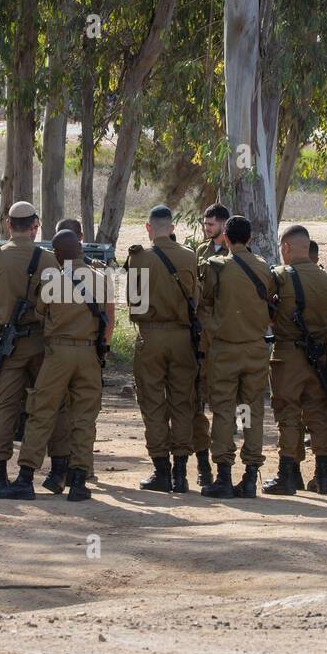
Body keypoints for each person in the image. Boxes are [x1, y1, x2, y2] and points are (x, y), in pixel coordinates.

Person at [0, 230, 112, 501]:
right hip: (89, 354)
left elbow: (41, 313)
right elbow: (108, 318)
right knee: (84, 418)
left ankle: (26, 478)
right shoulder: (101, 279)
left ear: (58, 255)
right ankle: (79, 481)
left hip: (58, 353)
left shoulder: (52, 281)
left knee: (41, 411)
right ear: (81, 249)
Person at [0, 202, 71, 496]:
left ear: (8, 225)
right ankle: (57, 472)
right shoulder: (46, 261)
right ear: (35, 224)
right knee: (50, 405)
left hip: (6, 345)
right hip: (41, 344)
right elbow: (57, 304)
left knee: (2, 407)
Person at [198, 215, 275, 498]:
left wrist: (214, 327)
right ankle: (251, 475)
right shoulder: (265, 268)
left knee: (224, 410)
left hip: (225, 350)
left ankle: (223, 476)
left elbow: (203, 304)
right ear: (250, 239)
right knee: (251, 411)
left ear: (226, 239)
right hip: (256, 350)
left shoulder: (216, 267)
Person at [126, 205, 201, 493]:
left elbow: (136, 303)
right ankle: (181, 473)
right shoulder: (189, 256)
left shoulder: (139, 259)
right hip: (183, 337)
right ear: (171, 228)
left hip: (151, 336)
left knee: (153, 403)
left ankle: (161, 471)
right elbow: (195, 298)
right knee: (183, 401)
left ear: (148, 228)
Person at [263, 225, 327, 495]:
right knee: (319, 413)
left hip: (288, 354)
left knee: (288, 414)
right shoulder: (326, 278)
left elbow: (264, 306)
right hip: (320, 356)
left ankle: (288, 473)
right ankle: (323, 476)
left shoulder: (281, 276)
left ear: (285, 248)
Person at [192, 202, 230, 485]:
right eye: (205, 225)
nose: (207, 230)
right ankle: (203, 464)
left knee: (224, 407)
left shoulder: (235, 254)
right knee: (196, 405)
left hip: (225, 340)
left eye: (212, 225)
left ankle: (224, 467)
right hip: (200, 340)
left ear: (224, 226)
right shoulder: (200, 253)